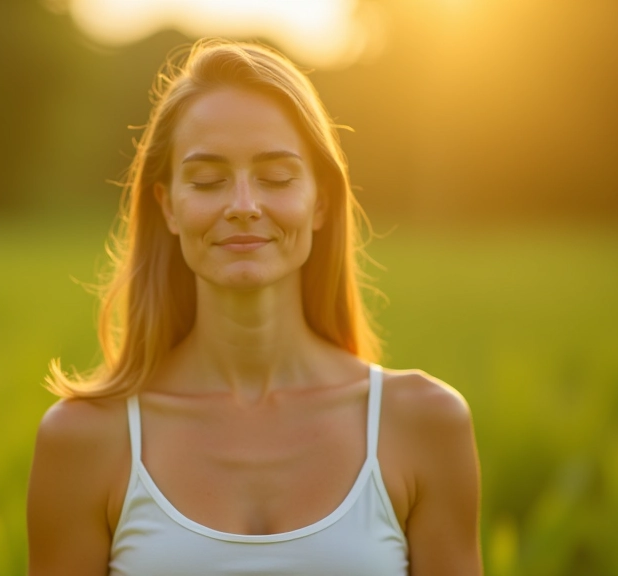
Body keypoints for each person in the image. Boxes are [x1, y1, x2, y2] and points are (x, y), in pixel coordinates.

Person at [27, 38, 482, 575]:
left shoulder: (424, 423)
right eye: (207, 181)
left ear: (321, 202)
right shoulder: (83, 439)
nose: (243, 206)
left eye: (276, 177)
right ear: (169, 206)